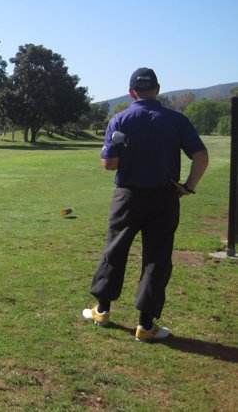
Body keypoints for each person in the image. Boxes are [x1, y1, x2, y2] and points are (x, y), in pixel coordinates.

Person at [82, 68, 209, 342]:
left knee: (115, 251)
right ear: (158, 90)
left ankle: (102, 310)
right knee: (157, 258)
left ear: (131, 92)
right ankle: (145, 325)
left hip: (127, 197)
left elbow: (109, 165)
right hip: (164, 198)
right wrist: (188, 187)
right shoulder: (176, 120)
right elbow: (201, 156)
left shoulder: (120, 119)